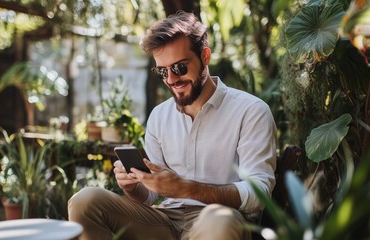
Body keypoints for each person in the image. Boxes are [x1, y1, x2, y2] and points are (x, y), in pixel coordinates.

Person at [68, 11, 277, 240]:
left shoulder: (250, 111)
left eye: (179, 68)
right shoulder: (159, 116)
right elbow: (148, 197)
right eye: (163, 71)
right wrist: (132, 185)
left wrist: (186, 188)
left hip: (221, 220)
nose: (171, 79)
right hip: (166, 220)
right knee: (84, 202)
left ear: (205, 56)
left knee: (219, 221)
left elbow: (259, 192)